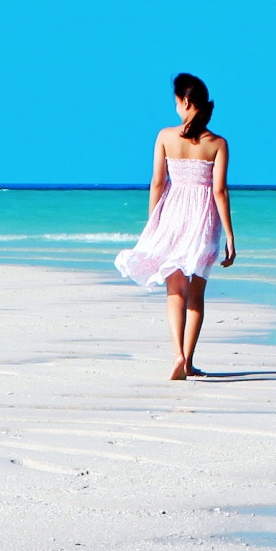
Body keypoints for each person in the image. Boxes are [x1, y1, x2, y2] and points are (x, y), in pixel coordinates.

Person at [115, 73, 237, 379]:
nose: (176, 107)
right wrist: (230, 235)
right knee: (196, 293)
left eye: (176, 102)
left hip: (172, 215)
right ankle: (189, 361)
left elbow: (157, 183)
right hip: (203, 219)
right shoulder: (217, 143)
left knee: (175, 290)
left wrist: (153, 222)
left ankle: (177, 356)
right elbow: (219, 192)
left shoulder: (165, 137)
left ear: (186, 101)